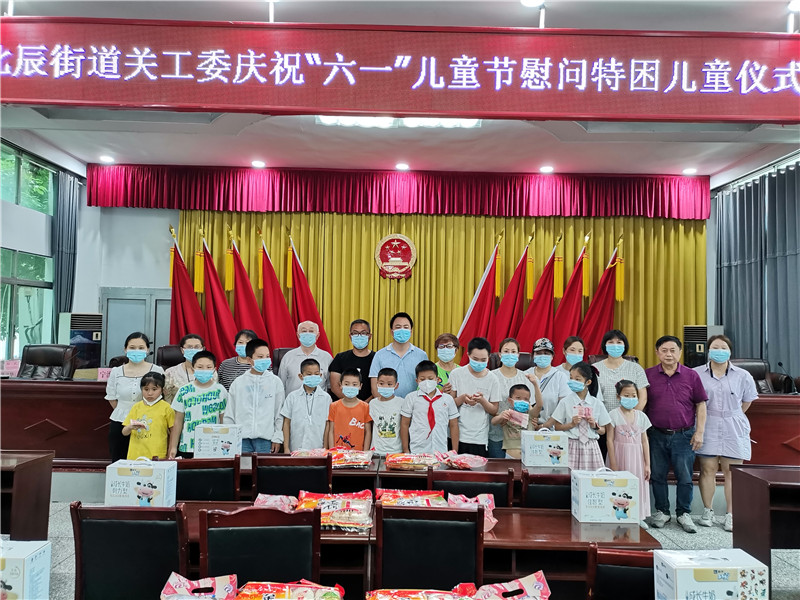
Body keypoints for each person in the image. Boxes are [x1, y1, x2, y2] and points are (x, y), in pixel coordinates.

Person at [694, 334, 758, 532]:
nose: (719, 351)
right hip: (707, 424)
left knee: (733, 472)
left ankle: (731, 514)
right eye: (715, 347)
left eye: (723, 348)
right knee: (708, 469)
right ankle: (708, 511)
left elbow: (747, 401)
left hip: (733, 425)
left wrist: (732, 415)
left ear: (730, 352)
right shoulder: (696, 374)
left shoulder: (743, 375)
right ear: (708, 351)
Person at [645, 335, 708, 533]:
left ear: (680, 352)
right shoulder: (648, 375)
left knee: (685, 476)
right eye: (664, 350)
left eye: (673, 350)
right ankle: (662, 511)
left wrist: (699, 432)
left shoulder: (691, 375)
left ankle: (683, 513)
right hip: (656, 434)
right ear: (657, 353)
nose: (669, 354)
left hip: (684, 434)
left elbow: (701, 404)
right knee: (658, 475)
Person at [105, 332, 165, 462]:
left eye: (141, 348)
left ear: (147, 350)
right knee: (119, 459)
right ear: (125, 349)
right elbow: (111, 397)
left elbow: (160, 397)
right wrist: (127, 414)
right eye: (132, 347)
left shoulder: (157, 370)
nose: (136, 351)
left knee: (144, 461)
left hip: (148, 422)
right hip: (120, 421)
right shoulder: (116, 372)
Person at [224, 338, 285, 454]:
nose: (265, 360)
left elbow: (279, 412)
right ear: (249, 360)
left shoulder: (275, 382)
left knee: (263, 466)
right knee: (244, 465)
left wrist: (277, 437)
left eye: (267, 356)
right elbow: (229, 413)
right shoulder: (238, 383)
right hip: (241, 439)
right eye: (260, 357)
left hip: (265, 439)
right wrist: (230, 437)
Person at [594, 329, 649, 457]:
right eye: (611, 342)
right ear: (604, 345)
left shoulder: (635, 368)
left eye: (619, 342)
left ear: (625, 346)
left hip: (628, 428)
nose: (615, 345)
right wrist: (602, 424)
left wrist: (631, 421)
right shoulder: (595, 368)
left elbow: (643, 397)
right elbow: (593, 398)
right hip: (603, 426)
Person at [606, 380, 652, 529]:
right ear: (618, 397)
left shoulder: (641, 416)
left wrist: (647, 464)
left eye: (634, 395)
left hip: (637, 457)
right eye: (626, 395)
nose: (630, 398)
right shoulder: (613, 415)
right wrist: (613, 462)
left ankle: (638, 515)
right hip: (619, 455)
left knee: (637, 484)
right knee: (619, 485)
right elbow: (609, 439)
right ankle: (617, 514)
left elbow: (645, 441)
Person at [549, 361, 611, 471]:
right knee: (569, 477)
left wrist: (594, 426)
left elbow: (603, 431)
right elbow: (557, 427)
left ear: (588, 382)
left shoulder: (597, 403)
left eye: (577, 379)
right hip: (570, 445)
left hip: (591, 447)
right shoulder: (565, 402)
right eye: (571, 378)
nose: (572, 381)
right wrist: (571, 424)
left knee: (592, 478)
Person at [168, 350, 227, 458]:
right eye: (200, 367)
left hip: (213, 445)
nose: (204, 370)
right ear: (193, 368)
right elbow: (178, 421)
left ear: (214, 369)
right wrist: (173, 447)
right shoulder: (184, 391)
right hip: (187, 446)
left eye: (208, 367)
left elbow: (223, 419)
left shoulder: (220, 390)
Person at [489, 338, 542, 458]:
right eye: (506, 351)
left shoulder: (526, 378)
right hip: (496, 434)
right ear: (500, 354)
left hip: (519, 436)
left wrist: (534, 419)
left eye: (513, 352)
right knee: (497, 468)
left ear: (518, 355)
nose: (510, 354)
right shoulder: (491, 376)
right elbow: (487, 405)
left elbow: (533, 405)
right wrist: (500, 417)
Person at [449, 337, 501, 457]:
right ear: (468, 355)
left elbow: (494, 410)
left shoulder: (493, 379)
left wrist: (482, 401)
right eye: (475, 359)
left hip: (479, 438)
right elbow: (449, 405)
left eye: (483, 360)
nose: (479, 363)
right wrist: (462, 398)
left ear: (489, 357)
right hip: (457, 435)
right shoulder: (456, 374)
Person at [400, 360, 460, 454]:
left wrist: (454, 450)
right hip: (417, 450)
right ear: (417, 381)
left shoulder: (447, 399)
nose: (427, 382)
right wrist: (405, 449)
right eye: (422, 379)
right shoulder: (411, 398)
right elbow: (404, 424)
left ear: (437, 379)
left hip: (441, 450)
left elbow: (454, 425)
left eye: (430, 378)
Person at [369, 312, 428, 399]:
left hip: (415, 405)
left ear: (411, 332)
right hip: (387, 405)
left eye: (406, 327)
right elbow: (374, 388)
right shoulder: (379, 355)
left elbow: (426, 384)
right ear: (392, 332)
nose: (402, 330)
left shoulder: (421, 355)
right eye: (398, 327)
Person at [281, 358, 332, 452]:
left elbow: (327, 425)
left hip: (318, 448)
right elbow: (286, 423)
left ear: (320, 375)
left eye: (316, 374)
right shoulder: (292, 397)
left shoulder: (326, 398)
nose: (313, 376)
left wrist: (325, 448)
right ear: (301, 376)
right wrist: (286, 448)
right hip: (296, 447)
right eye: (309, 374)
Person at [121, 371, 175, 460]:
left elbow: (173, 432)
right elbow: (124, 432)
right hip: (135, 456)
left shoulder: (167, 408)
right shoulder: (136, 407)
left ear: (162, 390)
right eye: (146, 389)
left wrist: (170, 451)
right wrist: (130, 427)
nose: (150, 393)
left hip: (157, 455)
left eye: (154, 389)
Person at [278, 321, 334, 396]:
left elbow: (330, 385)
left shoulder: (327, 357)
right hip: (293, 401)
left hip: (319, 401)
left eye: (311, 331)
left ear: (317, 335)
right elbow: (281, 384)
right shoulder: (288, 357)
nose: (307, 334)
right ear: (298, 335)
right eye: (304, 331)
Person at [524, 338, 571, 424]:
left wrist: (546, 425)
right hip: (527, 424)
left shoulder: (560, 376)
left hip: (552, 427)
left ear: (552, 356)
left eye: (546, 353)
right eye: (538, 353)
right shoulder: (525, 375)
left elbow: (564, 406)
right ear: (533, 355)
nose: (542, 356)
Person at [326, 369, 373, 450]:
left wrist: (365, 452)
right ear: (340, 385)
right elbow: (331, 431)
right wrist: (332, 450)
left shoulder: (365, 407)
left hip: (358, 454)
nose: (350, 387)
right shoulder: (334, 406)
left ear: (360, 386)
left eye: (354, 384)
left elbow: (368, 432)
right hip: (338, 453)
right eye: (346, 384)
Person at [329, 319, 375, 401]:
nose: (359, 336)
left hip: (369, 405)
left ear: (370, 336)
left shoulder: (377, 358)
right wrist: (351, 403)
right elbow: (334, 386)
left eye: (363, 333)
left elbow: (379, 386)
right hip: (344, 404)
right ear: (350, 336)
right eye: (355, 333)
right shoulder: (340, 358)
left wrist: (364, 405)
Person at [491, 384, 540, 459]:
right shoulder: (507, 413)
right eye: (518, 398)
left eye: (526, 399)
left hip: (530, 456)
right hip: (511, 456)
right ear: (510, 400)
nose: (522, 401)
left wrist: (535, 384)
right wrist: (501, 416)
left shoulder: (531, 414)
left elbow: (539, 405)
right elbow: (493, 422)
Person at [164, 333, 215, 403]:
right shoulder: (170, 373)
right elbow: (167, 400)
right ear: (182, 350)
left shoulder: (210, 372)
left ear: (203, 349)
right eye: (189, 347)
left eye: (197, 347)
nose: (193, 350)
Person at [369, 367, 403, 454]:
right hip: (376, 451)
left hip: (396, 451)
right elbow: (369, 427)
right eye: (381, 383)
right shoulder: (372, 403)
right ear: (377, 384)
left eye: (389, 384)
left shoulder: (402, 403)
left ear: (396, 385)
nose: (385, 387)